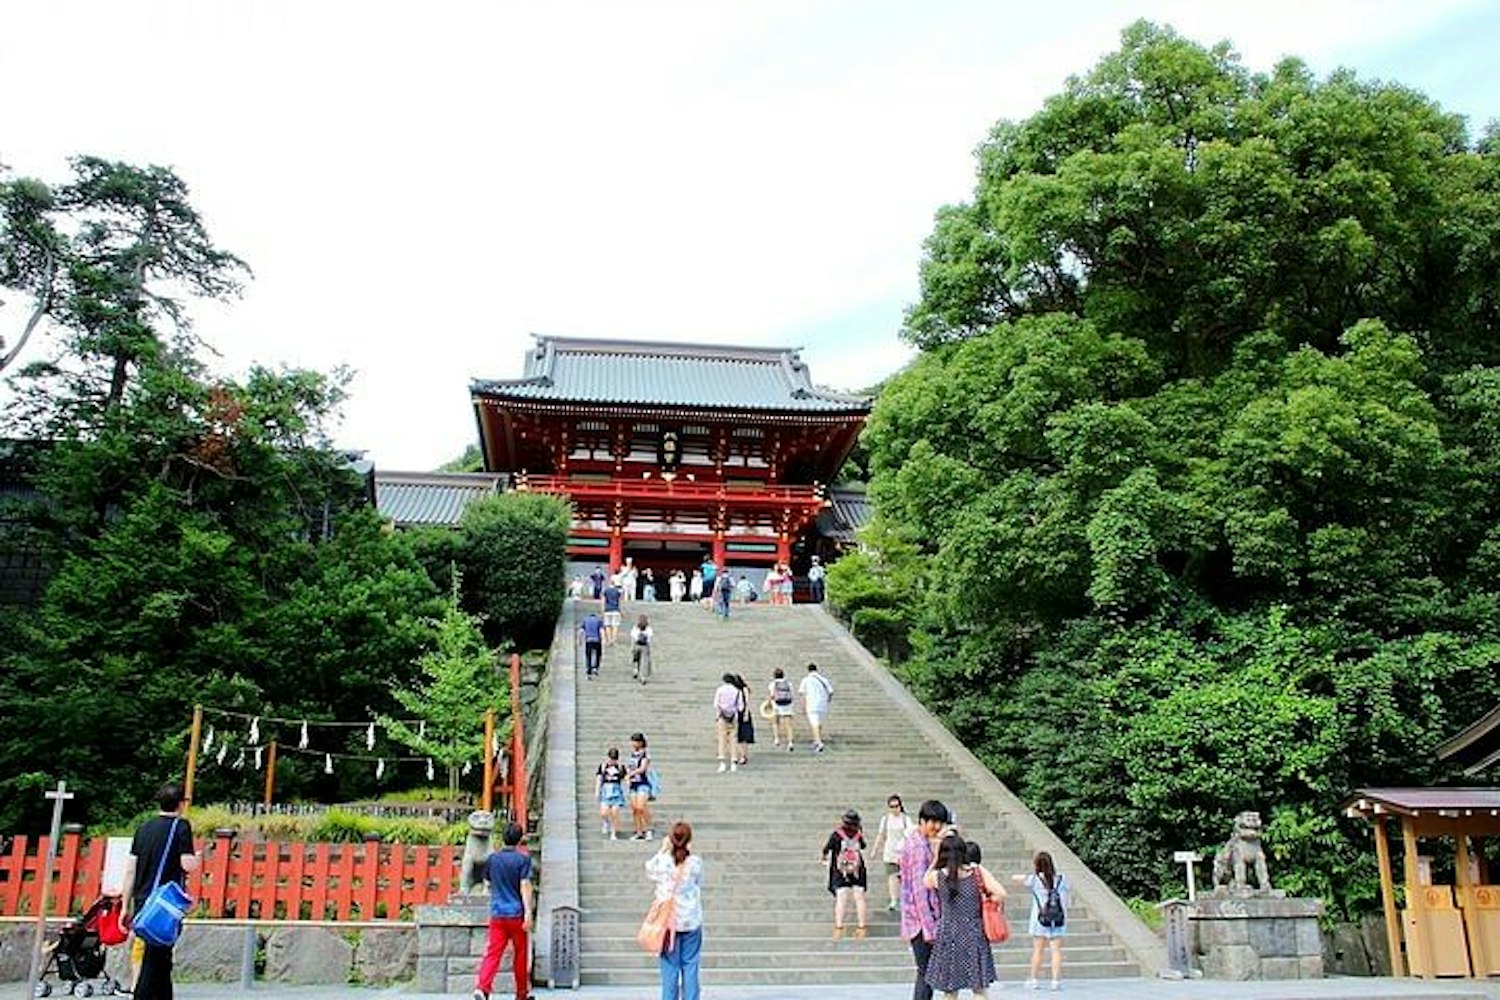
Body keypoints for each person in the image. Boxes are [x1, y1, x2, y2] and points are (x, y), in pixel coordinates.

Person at [122, 783, 199, 1000]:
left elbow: (130, 870)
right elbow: (187, 864)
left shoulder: (143, 829)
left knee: (159, 956)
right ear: (180, 804)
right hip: (165, 905)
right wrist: (198, 859)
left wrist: (124, 905)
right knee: (156, 957)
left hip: (143, 902)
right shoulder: (181, 826)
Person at [923, 833, 1004, 1000]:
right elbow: (1001, 893)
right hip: (974, 932)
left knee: (950, 990)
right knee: (979, 989)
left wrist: (935, 859)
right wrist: (986, 899)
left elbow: (925, 881)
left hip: (948, 935)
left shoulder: (938, 876)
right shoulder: (976, 872)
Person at [472, 822, 534, 1000]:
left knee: (493, 952)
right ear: (520, 839)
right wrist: (528, 912)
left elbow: (488, 883)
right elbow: (525, 884)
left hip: (498, 913)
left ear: (503, 838)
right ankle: (522, 993)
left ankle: (482, 988)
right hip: (516, 914)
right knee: (520, 954)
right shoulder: (523, 859)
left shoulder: (493, 859)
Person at [900, 799, 952, 1000]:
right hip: (921, 922)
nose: (937, 827)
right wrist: (930, 928)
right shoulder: (918, 848)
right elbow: (920, 891)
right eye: (932, 822)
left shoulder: (918, 841)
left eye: (940, 822)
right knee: (926, 973)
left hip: (919, 921)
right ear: (921, 820)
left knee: (926, 973)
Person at [647, 822, 704, 1000]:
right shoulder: (695, 863)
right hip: (690, 920)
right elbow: (699, 883)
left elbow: (649, 870)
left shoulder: (663, 862)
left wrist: (663, 849)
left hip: (667, 923)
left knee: (669, 967)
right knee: (691, 965)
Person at [1014, 850, 1069, 990]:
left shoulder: (1034, 879)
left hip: (1040, 919)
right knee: (1056, 950)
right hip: (1057, 918)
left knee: (1038, 950)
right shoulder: (1062, 879)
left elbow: (1016, 878)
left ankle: (1034, 980)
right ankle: (1056, 981)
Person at [821, 809, 869, 939]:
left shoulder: (836, 834)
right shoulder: (858, 835)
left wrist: (824, 857)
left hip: (840, 871)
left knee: (841, 898)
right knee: (859, 897)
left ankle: (839, 928)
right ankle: (862, 927)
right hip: (857, 870)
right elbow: (863, 846)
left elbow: (826, 848)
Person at [871, 794, 917, 911]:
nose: (894, 809)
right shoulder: (885, 819)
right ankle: (894, 900)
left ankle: (907, 899)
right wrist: (874, 850)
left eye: (897, 806)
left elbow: (911, 835)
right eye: (892, 806)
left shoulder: (905, 819)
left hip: (903, 852)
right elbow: (880, 835)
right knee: (892, 876)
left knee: (904, 876)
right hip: (890, 851)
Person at [625, 732, 654, 841]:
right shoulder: (632, 754)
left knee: (641, 806)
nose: (633, 743)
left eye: (635, 741)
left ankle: (649, 829)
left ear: (641, 742)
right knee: (635, 809)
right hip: (633, 784)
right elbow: (629, 767)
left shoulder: (645, 754)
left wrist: (630, 774)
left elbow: (643, 768)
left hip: (643, 783)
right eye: (632, 741)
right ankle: (639, 831)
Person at [798, 662, 833, 752]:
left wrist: (802, 706)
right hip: (823, 704)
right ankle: (816, 740)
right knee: (818, 723)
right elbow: (831, 692)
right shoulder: (823, 679)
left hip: (812, 704)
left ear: (808, 670)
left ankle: (819, 743)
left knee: (814, 724)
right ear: (816, 669)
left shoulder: (806, 680)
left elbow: (802, 694)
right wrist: (828, 700)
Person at [713, 673, 743, 773]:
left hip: (722, 717)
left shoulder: (720, 690)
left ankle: (722, 762)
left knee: (722, 739)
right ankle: (733, 762)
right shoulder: (737, 691)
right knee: (733, 739)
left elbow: (716, 704)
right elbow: (740, 707)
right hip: (733, 717)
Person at [596, 747, 627, 840]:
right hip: (606, 790)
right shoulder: (603, 766)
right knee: (603, 812)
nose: (612, 761)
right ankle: (605, 822)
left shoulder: (620, 767)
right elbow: (598, 778)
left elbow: (625, 778)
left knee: (615, 812)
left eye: (614, 759)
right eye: (611, 759)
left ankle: (613, 832)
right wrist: (597, 790)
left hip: (616, 790)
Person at [767, 667, 796, 750]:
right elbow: (792, 695)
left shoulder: (772, 684)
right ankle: (790, 742)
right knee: (788, 725)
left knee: (775, 722)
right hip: (788, 705)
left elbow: (772, 695)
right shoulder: (788, 683)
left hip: (776, 705)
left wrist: (768, 703)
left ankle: (777, 739)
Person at [731, 674, 755, 766]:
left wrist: (746, 713)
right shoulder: (738, 689)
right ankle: (739, 755)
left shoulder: (743, 689)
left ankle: (743, 756)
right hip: (737, 713)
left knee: (743, 736)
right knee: (737, 736)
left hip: (742, 713)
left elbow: (747, 702)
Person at [630, 614, 654, 684]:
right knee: (645, 661)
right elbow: (649, 639)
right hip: (645, 646)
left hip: (636, 645)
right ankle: (643, 677)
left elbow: (633, 638)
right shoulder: (648, 628)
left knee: (636, 658)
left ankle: (635, 670)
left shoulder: (635, 628)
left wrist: (632, 647)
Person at [580, 611, 604, 678]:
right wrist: (603, 639)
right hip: (597, 640)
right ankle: (595, 667)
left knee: (588, 655)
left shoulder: (585, 620)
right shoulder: (599, 620)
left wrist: (580, 640)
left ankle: (589, 668)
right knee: (598, 654)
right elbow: (601, 630)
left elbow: (581, 631)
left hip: (588, 640)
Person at [601, 577, 623, 646]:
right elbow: (619, 602)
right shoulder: (617, 591)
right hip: (616, 610)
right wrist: (621, 611)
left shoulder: (606, 591)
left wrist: (602, 610)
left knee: (607, 625)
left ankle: (609, 640)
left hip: (607, 610)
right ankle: (614, 641)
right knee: (615, 626)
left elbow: (603, 601)